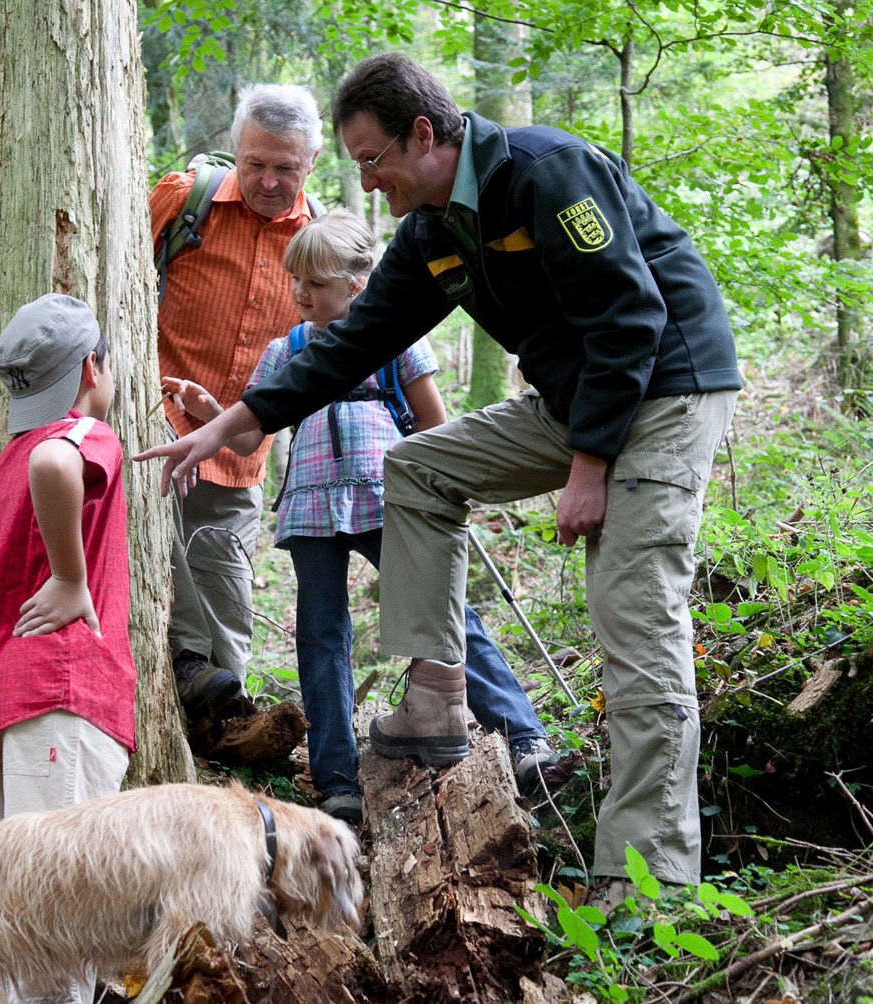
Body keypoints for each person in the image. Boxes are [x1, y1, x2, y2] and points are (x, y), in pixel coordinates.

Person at [135, 54, 740, 898]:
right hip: (578, 399)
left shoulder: (545, 172)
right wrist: (227, 428)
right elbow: (349, 346)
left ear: (423, 135)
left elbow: (632, 316)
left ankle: (650, 883)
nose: (364, 182)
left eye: (371, 159)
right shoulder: (432, 232)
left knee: (632, 617)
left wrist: (590, 466)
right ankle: (438, 698)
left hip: (668, 390)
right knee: (416, 468)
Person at [163, 210, 557, 823]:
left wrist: (442, 495)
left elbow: (434, 425)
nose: (300, 293)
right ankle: (337, 779)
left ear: (357, 284)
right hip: (310, 506)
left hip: (387, 497)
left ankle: (524, 739)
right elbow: (249, 438)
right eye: (295, 281)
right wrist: (213, 411)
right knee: (321, 636)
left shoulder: (397, 338)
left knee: (446, 614)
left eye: (315, 284)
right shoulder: (285, 350)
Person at [0, 293, 135, 1001]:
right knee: (59, 911)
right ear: (93, 368)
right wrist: (70, 578)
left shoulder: (9, 455)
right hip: (61, 695)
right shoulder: (81, 434)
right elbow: (57, 465)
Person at [150, 83, 324, 719]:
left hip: (239, 455)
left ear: (312, 162)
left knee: (227, 634)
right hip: (155, 434)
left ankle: (226, 739)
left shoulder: (320, 242)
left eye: (286, 167)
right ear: (235, 150)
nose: (269, 181)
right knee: (159, 592)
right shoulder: (182, 201)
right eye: (255, 164)